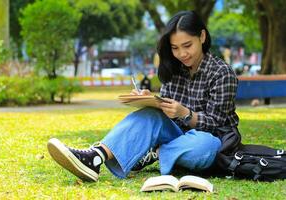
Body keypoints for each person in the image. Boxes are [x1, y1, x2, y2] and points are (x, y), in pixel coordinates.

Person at [47, 10, 240, 182]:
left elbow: (217, 124)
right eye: (175, 48)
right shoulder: (173, 69)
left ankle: (154, 152)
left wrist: (185, 113)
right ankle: (94, 157)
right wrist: (153, 101)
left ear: (202, 37)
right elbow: (164, 117)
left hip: (213, 140)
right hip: (177, 136)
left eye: (187, 45)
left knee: (203, 146)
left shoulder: (222, 73)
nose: (182, 53)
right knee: (149, 114)